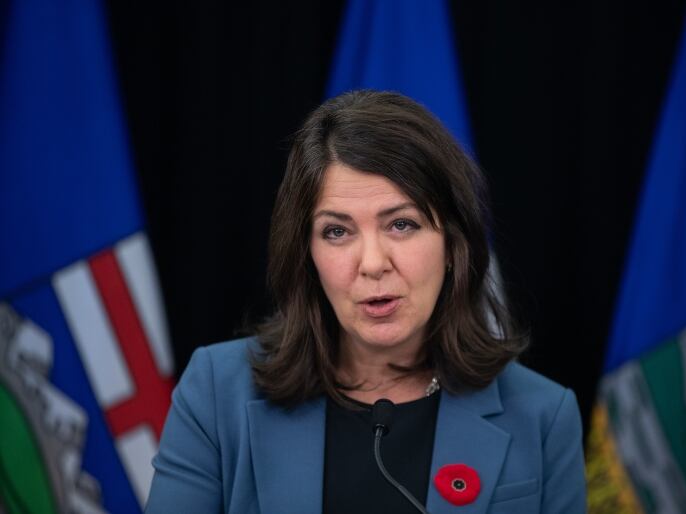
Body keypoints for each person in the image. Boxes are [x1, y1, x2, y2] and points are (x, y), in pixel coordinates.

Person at [145, 90, 587, 514]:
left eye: (401, 224)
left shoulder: (543, 417)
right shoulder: (216, 392)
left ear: (454, 245)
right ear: (307, 255)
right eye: (337, 232)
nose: (373, 264)